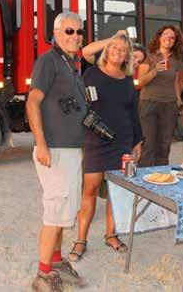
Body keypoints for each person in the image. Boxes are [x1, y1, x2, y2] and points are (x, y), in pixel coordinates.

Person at [68, 32, 143, 262]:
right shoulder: (92, 72)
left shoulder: (127, 79)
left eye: (123, 50)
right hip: (95, 138)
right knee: (89, 190)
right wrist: (115, 38)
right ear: (107, 50)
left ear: (127, 56)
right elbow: (86, 51)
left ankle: (111, 235)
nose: (118, 53)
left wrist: (137, 141)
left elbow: (133, 112)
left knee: (116, 191)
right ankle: (80, 240)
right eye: (114, 48)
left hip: (122, 140)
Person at [27, 13, 87, 291]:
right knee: (55, 211)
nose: (75, 36)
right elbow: (32, 102)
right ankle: (42, 274)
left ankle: (56, 261)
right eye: (69, 31)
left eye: (79, 31)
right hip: (55, 149)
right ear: (56, 33)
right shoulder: (48, 61)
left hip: (71, 149)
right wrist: (41, 143)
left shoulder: (71, 64)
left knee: (65, 211)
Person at [137, 25, 183, 167]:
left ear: (175, 41)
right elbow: (141, 81)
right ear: (159, 37)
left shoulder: (176, 59)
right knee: (148, 145)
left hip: (169, 105)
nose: (168, 39)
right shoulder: (149, 56)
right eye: (166, 35)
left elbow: (176, 81)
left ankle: (161, 175)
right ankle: (144, 177)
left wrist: (178, 99)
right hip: (149, 103)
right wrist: (155, 70)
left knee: (164, 146)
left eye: (172, 37)